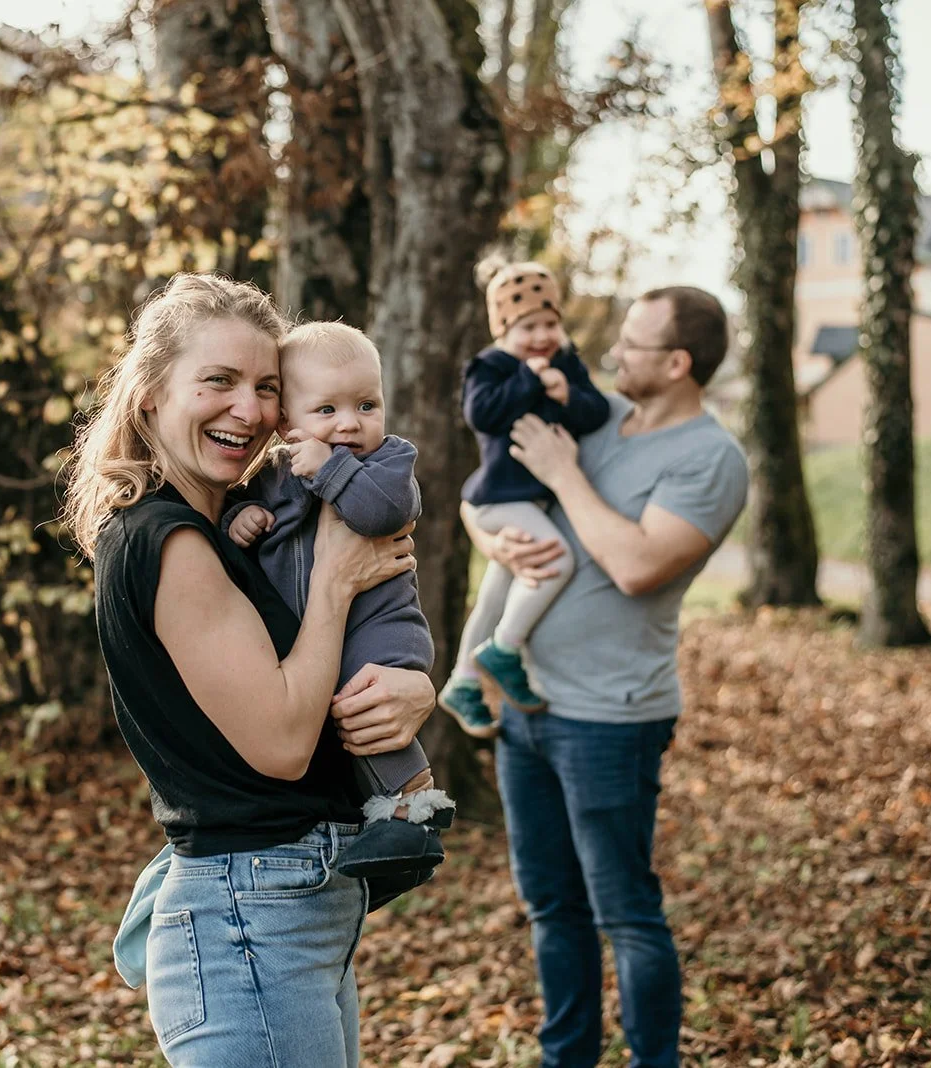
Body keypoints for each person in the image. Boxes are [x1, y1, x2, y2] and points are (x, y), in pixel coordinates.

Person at [61, 273, 438, 1067]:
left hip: (292, 910)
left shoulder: (239, 533)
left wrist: (409, 686)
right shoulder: (169, 541)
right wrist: (334, 583)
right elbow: (280, 743)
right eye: (218, 381)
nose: (249, 409)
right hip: (249, 917)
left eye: (266, 387)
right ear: (152, 397)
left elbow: (315, 671)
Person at [466, 286, 749, 1068]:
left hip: (611, 718)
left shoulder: (711, 458)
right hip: (526, 704)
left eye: (633, 343)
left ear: (678, 363)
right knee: (551, 908)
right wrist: (492, 543)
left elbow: (637, 565)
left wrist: (565, 476)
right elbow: (482, 494)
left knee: (624, 914)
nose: (614, 352)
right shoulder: (595, 417)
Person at [225, 321, 454, 882]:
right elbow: (251, 522)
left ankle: (415, 807)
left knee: (365, 706)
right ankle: (384, 817)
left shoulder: (388, 462)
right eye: (326, 409)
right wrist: (242, 517)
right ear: (286, 422)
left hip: (378, 627)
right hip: (319, 632)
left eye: (366, 405)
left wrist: (331, 468)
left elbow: (380, 514)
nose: (350, 422)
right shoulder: (271, 474)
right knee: (337, 720)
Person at [438, 259, 611, 739]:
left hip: (531, 502)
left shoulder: (566, 363)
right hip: (498, 498)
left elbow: (596, 411)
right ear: (503, 330)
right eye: (527, 327)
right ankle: (505, 649)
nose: (541, 336)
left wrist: (566, 393)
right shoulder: (491, 366)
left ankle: (463, 682)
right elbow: (481, 414)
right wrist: (529, 380)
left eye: (550, 324)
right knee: (555, 559)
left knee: (497, 593)